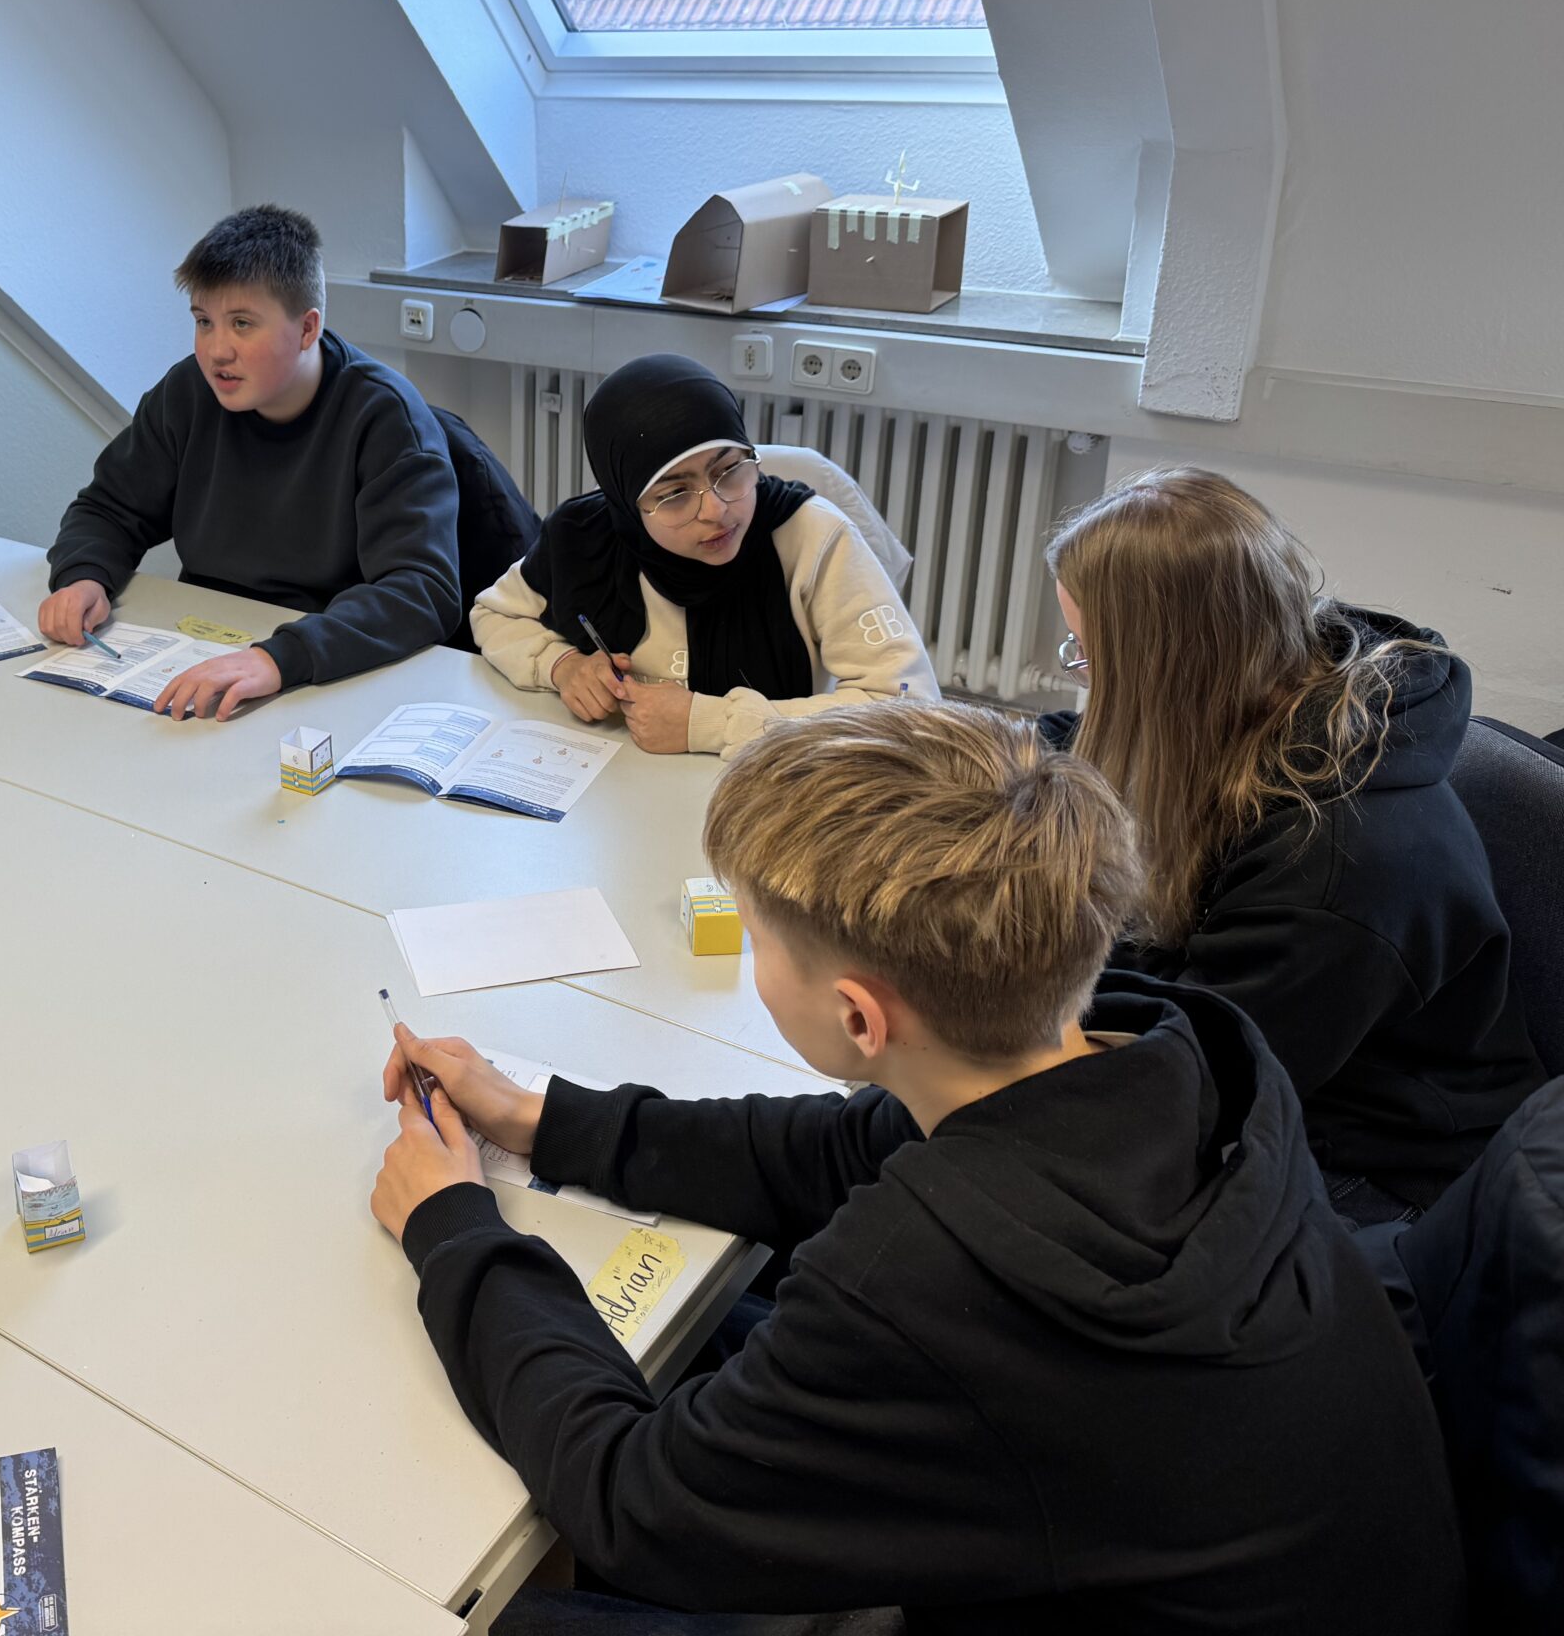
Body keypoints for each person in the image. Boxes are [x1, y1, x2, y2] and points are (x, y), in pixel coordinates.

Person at [369, 700, 1464, 1634]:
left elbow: (636, 1505)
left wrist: (457, 1227)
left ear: (858, 1016)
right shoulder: (1168, 1055)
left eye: (758, 937)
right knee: (709, 1332)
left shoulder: (923, 1278)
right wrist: (540, 1118)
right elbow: (837, 1150)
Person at [1047, 465, 1541, 1222]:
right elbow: (1075, 741)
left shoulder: (1335, 864)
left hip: (1378, 1169)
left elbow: (1184, 1080)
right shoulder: (1269, 693)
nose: (1082, 678)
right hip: (1264, 1066)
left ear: (1161, 669)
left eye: (1086, 653)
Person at [38, 205, 460, 720]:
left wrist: (279, 658)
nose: (217, 351)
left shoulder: (384, 416)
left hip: (325, 670)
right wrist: (83, 575)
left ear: (307, 329)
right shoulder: (187, 393)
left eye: (242, 324)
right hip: (204, 648)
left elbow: (421, 590)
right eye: (203, 322)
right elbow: (109, 508)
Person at [471, 355, 933, 754]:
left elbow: (911, 711)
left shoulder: (812, 536)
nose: (716, 510)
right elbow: (493, 615)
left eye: (729, 470)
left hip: (769, 789)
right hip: (620, 789)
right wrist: (563, 666)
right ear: (628, 505)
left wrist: (710, 723)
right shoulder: (584, 536)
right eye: (674, 494)